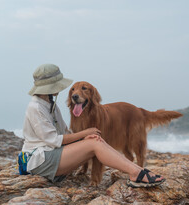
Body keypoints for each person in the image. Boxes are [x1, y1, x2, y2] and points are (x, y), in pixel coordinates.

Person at [21, 64, 165, 188]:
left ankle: (137, 169)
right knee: (94, 143)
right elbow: (54, 140)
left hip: (51, 156)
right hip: (39, 161)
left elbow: (65, 132)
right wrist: (85, 134)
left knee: (95, 140)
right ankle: (136, 173)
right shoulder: (36, 107)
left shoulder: (50, 104)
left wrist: (87, 137)